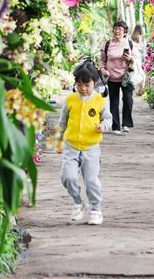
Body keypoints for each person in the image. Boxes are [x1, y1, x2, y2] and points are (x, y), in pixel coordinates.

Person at [59, 60, 111, 225]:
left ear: (94, 83)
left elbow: (108, 118)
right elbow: (62, 122)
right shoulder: (70, 100)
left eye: (87, 85)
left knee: (91, 181)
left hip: (91, 148)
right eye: (79, 84)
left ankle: (95, 209)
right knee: (68, 177)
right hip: (71, 146)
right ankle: (77, 203)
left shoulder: (100, 101)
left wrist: (103, 125)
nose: (83, 88)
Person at [99, 21, 136, 133]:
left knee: (128, 100)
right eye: (115, 28)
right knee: (114, 101)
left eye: (120, 29)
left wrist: (129, 58)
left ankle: (126, 124)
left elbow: (136, 59)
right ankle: (115, 127)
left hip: (126, 76)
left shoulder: (129, 44)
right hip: (111, 77)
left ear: (124, 32)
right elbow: (101, 61)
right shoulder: (107, 44)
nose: (117, 31)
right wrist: (103, 70)